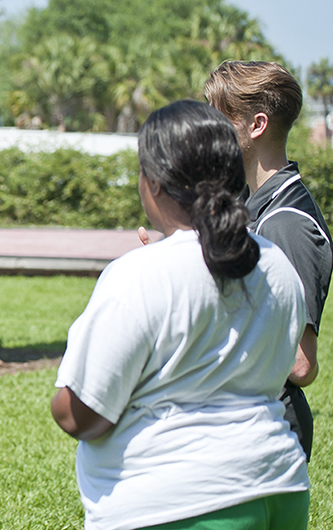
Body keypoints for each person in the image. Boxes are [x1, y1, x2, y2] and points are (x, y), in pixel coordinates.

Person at [52, 100, 310, 529]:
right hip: (280, 485)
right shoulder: (276, 262)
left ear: (152, 182)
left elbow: (80, 415)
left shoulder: (139, 274)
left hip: (181, 503)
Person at [205, 60, 332, 461]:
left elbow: (300, 364)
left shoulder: (287, 223)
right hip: (244, 426)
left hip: (269, 437)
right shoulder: (251, 206)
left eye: (218, 118)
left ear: (256, 125)